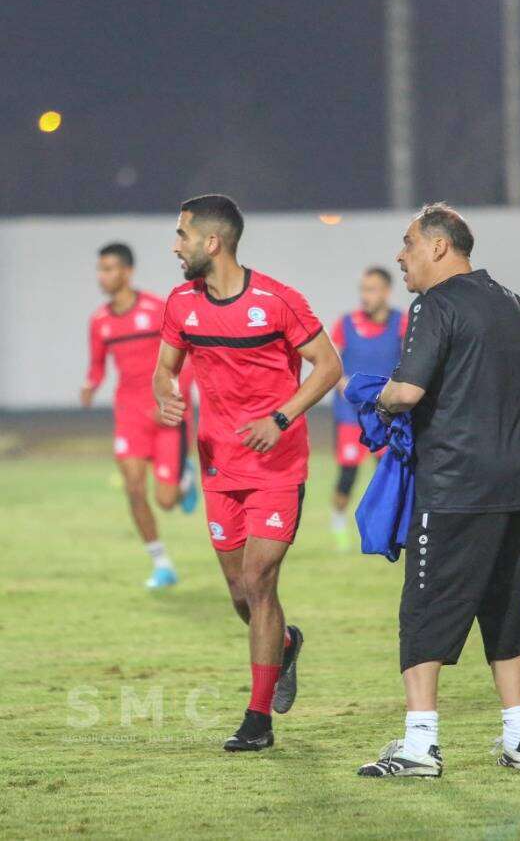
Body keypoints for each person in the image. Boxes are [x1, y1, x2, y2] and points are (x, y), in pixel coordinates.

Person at [358, 203, 520, 778]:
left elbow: (408, 391)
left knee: (423, 610)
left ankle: (420, 746)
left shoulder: (432, 304)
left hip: (456, 484)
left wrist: (373, 397)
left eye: (408, 242)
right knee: (505, 609)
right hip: (519, 480)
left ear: (439, 247)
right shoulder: (511, 301)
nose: (400, 255)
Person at [154, 194, 341, 752]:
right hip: (219, 467)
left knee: (259, 582)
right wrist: (165, 396)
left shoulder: (278, 301)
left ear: (212, 243)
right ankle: (284, 643)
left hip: (278, 466)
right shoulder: (181, 303)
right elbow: (165, 370)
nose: (175, 245)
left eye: (182, 235)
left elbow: (329, 366)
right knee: (239, 593)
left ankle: (257, 722)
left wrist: (281, 418)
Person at [81, 242, 198, 590]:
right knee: (133, 488)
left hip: (166, 416)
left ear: (127, 272)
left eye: (109, 269)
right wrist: (90, 384)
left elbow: (187, 357)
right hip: (130, 416)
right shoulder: (99, 321)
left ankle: (183, 478)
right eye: (100, 269)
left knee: (165, 501)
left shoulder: (157, 308)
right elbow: (98, 365)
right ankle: (161, 563)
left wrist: (171, 400)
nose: (102, 276)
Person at [330, 267, 407, 550]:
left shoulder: (402, 323)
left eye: (372, 289)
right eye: (363, 289)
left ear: (386, 292)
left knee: (387, 474)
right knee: (348, 475)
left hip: (386, 417)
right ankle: (338, 519)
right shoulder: (346, 323)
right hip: (351, 416)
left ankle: (387, 529)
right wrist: (343, 383)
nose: (365, 296)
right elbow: (330, 363)